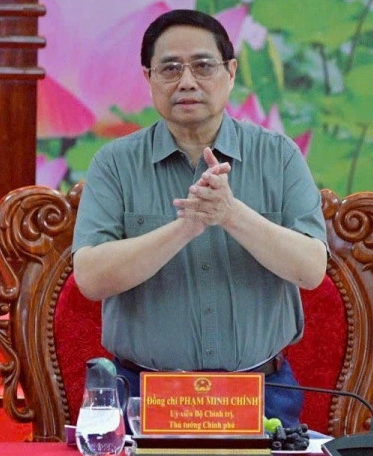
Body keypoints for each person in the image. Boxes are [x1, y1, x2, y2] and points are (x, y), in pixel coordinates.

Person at [71, 9, 328, 427]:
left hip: (261, 394)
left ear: (231, 72)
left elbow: (311, 270)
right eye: (170, 68)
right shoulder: (114, 164)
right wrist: (184, 228)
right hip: (143, 394)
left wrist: (231, 214)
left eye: (203, 66)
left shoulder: (279, 157)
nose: (187, 81)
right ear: (149, 78)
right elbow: (91, 278)